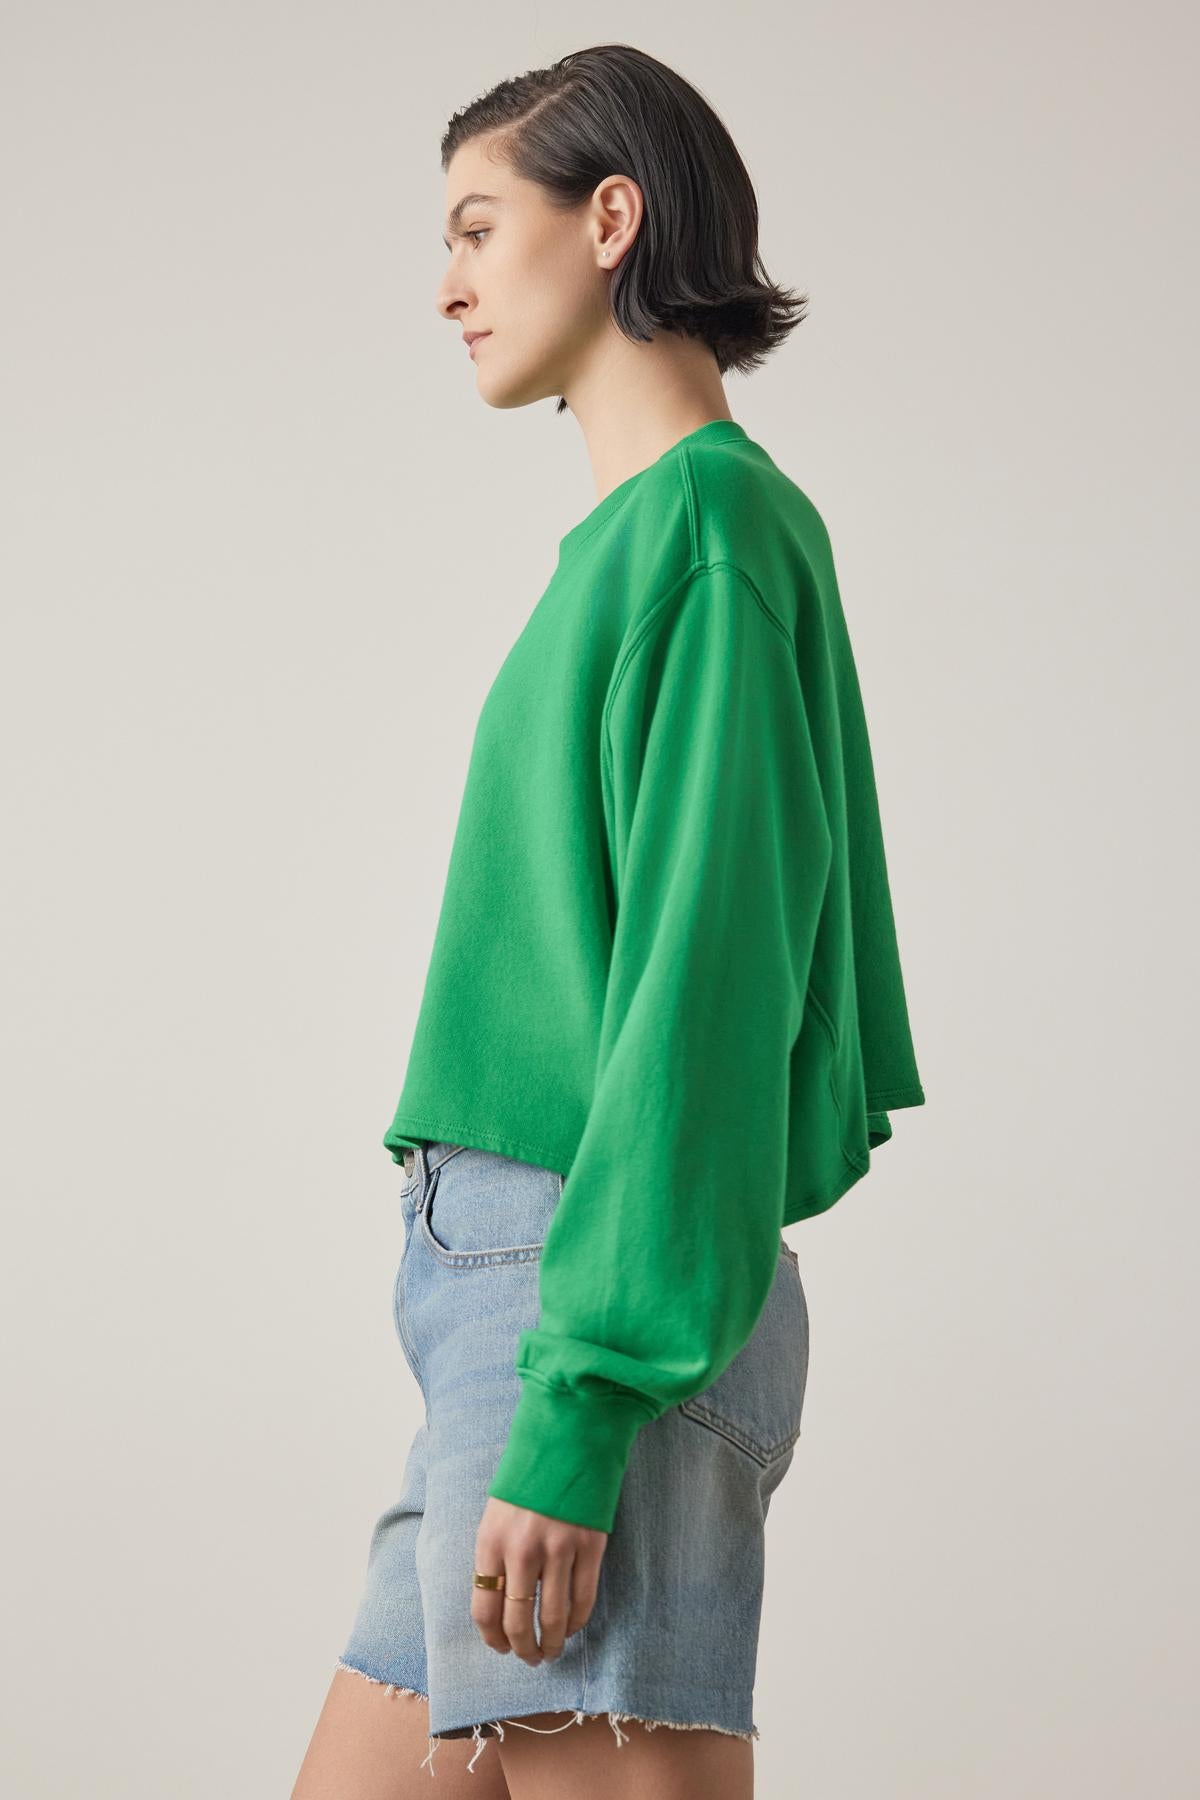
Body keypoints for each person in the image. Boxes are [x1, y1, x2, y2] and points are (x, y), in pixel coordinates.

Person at [292, 41, 925, 1800]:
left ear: (612, 218)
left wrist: (581, 1404)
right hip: (510, 1293)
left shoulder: (711, 533)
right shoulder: (631, 547)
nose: (447, 284)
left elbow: (702, 1001)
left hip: (586, 1289)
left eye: (480, 228)